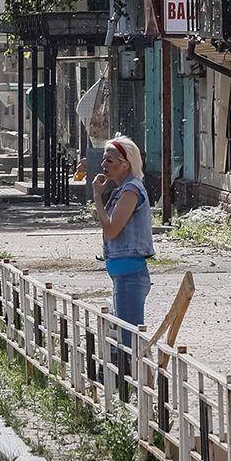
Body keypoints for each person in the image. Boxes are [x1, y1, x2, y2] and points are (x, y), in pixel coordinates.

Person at [89, 134, 154, 341]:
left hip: (131, 276)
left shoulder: (131, 190)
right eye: (104, 159)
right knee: (124, 339)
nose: (103, 165)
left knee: (130, 341)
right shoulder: (120, 190)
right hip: (122, 275)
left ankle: (141, 374)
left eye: (110, 160)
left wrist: (97, 196)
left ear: (125, 164)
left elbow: (111, 230)